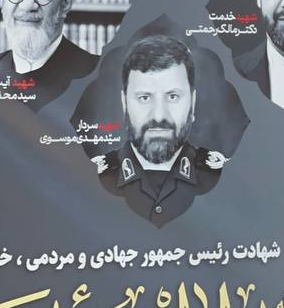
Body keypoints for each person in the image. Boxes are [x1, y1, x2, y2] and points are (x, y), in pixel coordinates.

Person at [94, 35, 225, 227]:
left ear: (193, 102)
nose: (158, 115)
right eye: (144, 98)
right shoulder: (96, 178)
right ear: (124, 103)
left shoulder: (218, 178)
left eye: (172, 96)